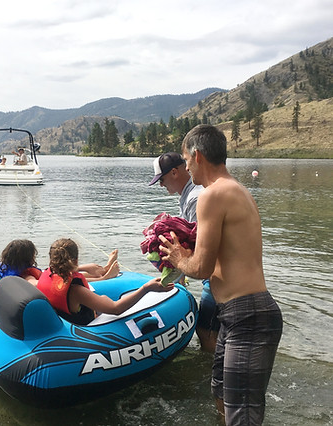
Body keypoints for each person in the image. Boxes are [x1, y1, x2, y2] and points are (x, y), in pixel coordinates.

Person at [158, 124, 283, 425]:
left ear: (197, 156)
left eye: (186, 160)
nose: (186, 167)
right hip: (238, 313)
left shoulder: (212, 195)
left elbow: (200, 266)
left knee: (242, 412)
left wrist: (177, 257)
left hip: (247, 314)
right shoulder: (237, 189)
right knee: (222, 391)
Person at [149, 152, 219, 353]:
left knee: (206, 331)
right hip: (214, 276)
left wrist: (173, 278)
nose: (161, 186)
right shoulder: (190, 195)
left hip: (215, 278)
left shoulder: (196, 198)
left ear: (174, 172)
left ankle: (212, 374)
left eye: (161, 180)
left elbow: (200, 247)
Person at [36, 238, 173, 325]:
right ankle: (107, 273)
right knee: (108, 302)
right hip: (85, 328)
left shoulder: (45, 275)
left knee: (100, 296)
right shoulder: (76, 291)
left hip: (64, 323)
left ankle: (106, 272)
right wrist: (146, 288)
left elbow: (69, 274)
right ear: (76, 260)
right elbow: (116, 309)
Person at [0, 240, 120, 286]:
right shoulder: (25, 276)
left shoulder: (3, 268)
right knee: (67, 277)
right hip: (49, 280)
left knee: (64, 272)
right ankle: (105, 276)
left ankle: (104, 270)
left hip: (47, 274)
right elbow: (42, 284)